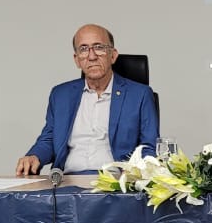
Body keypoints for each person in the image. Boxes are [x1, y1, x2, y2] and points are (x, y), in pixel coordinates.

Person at [16, 24, 158, 175]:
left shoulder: (140, 95)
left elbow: (149, 147)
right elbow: (49, 139)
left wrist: (134, 175)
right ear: (77, 60)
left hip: (115, 182)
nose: (92, 56)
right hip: (66, 182)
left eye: (99, 47)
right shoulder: (60, 95)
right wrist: (34, 156)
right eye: (83, 49)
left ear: (113, 55)